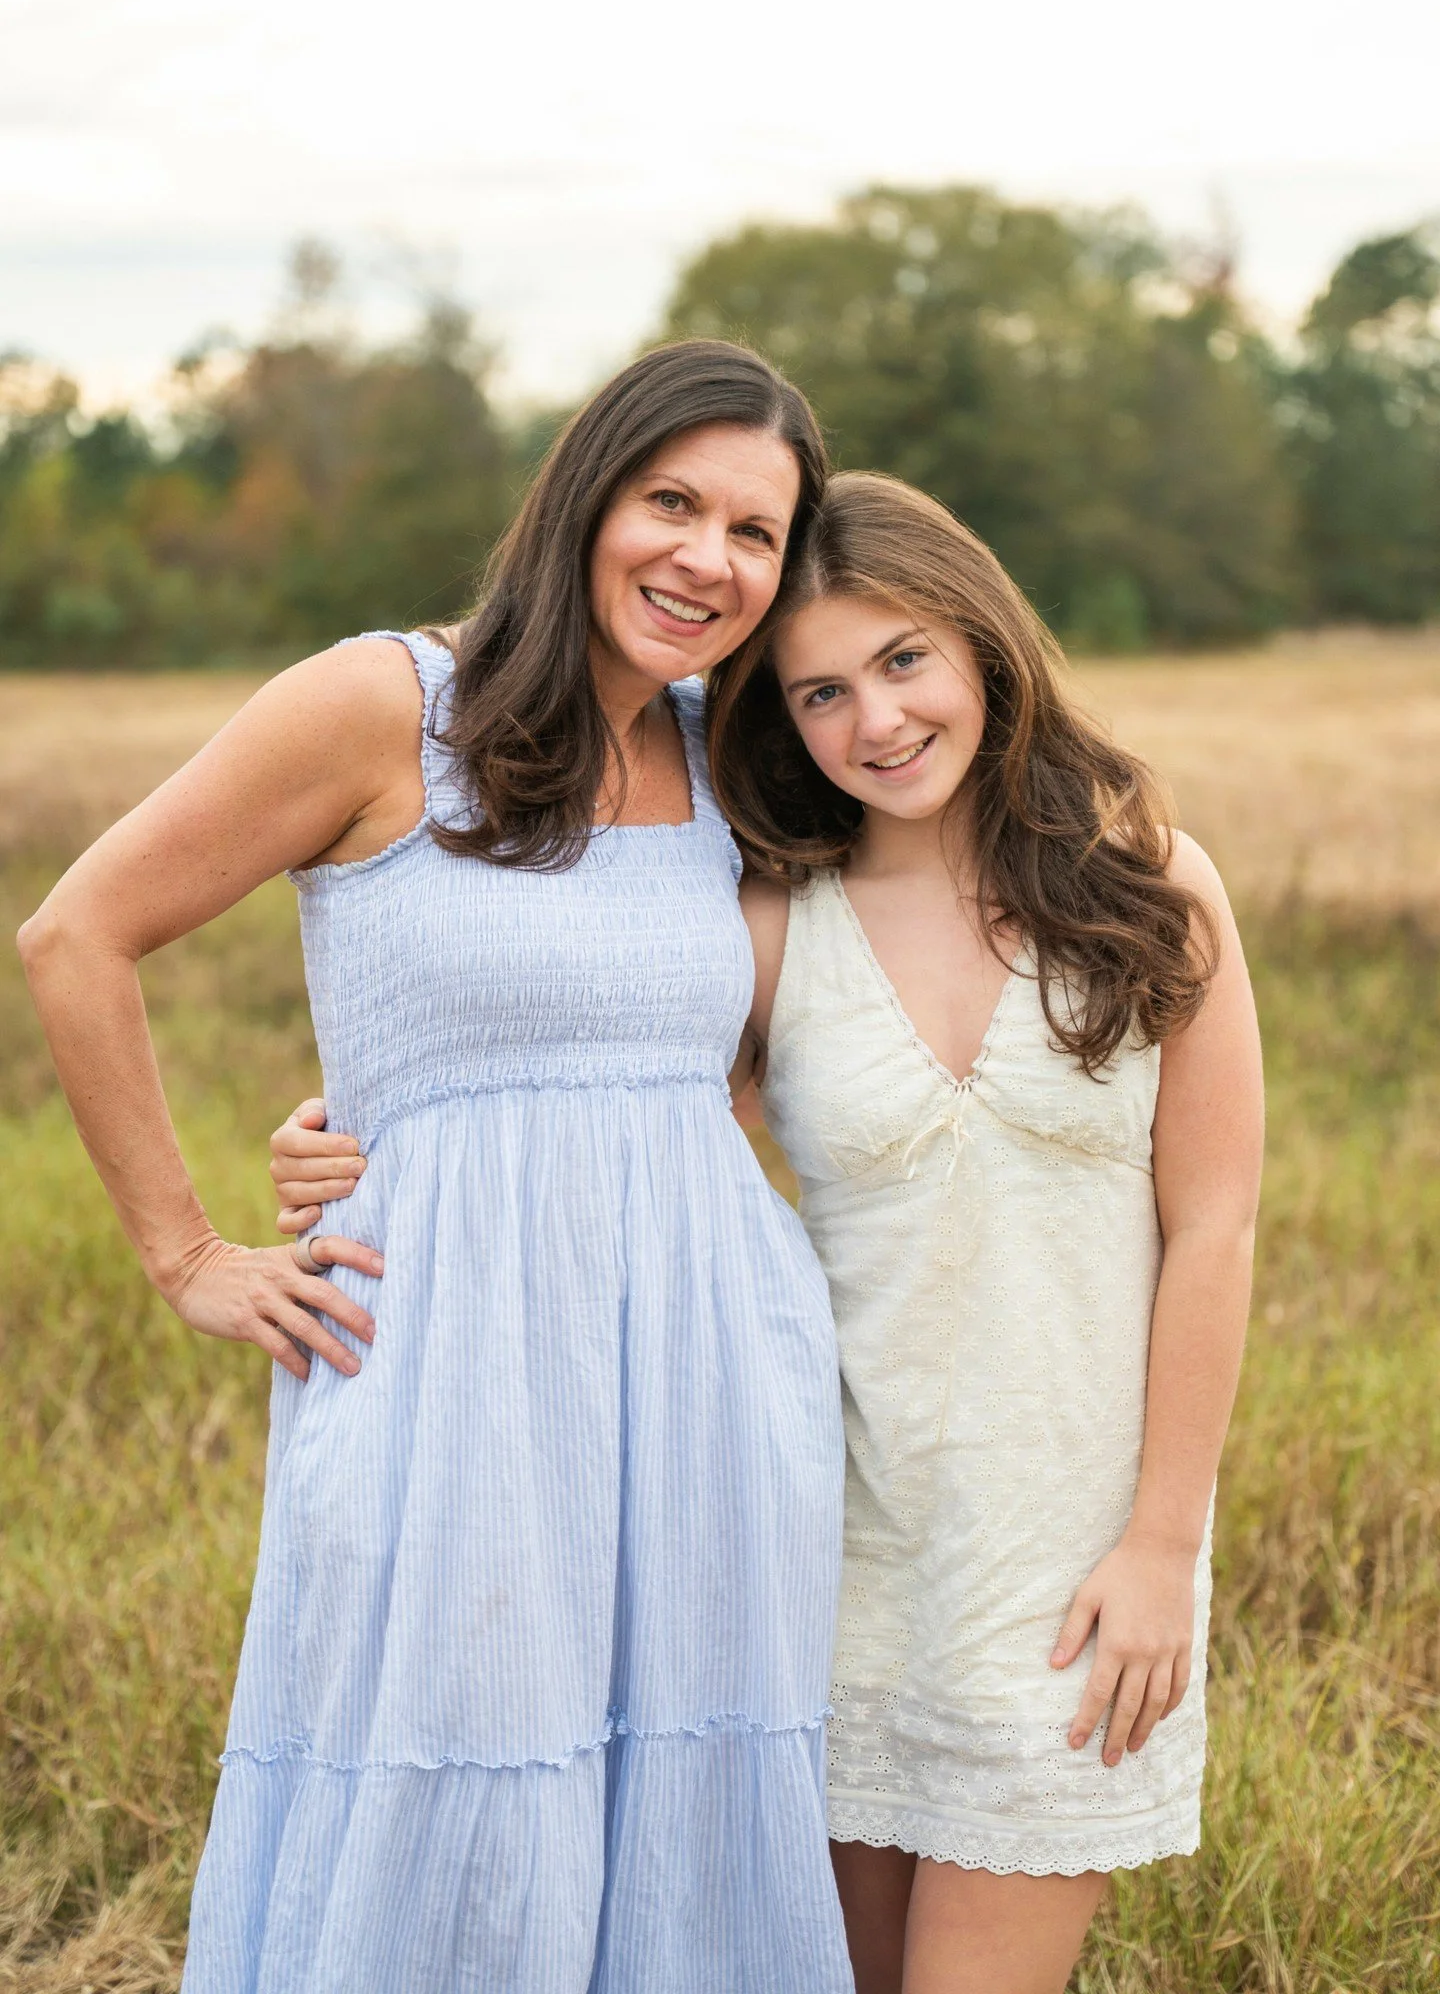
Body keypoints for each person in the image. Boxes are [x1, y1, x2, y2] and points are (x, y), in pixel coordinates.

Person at [273, 472, 1263, 1993]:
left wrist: (1161, 1544)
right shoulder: (774, 918)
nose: (874, 721)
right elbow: (579, 1080)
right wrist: (359, 1131)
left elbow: (1215, 1228)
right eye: (818, 692)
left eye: (905, 661)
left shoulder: (1151, 892)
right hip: (816, 1557)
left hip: (1066, 1571)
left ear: (983, 648)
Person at [18, 341, 856, 1994]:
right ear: (582, 496)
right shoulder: (385, 702)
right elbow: (77, 934)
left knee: (685, 1798)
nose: (708, 559)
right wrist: (192, 1253)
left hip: (703, 1376)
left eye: (755, 533)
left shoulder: (731, 749)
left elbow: (746, 1041)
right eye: (671, 502)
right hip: (448, 1366)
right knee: (458, 1792)